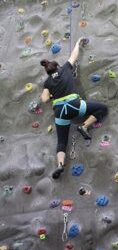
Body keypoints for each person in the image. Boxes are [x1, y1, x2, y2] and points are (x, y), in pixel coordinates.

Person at [40, 38, 108, 179]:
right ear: (58, 67)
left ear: (47, 72)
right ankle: (84, 126)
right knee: (102, 108)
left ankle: (60, 165)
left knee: (61, 142)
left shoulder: (47, 82)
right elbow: (73, 56)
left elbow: (44, 99)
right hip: (75, 105)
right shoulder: (65, 69)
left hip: (60, 112)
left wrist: (53, 95)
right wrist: (78, 43)